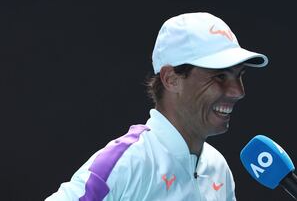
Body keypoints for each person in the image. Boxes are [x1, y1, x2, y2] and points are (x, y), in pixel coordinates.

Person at [46, 12, 268, 201]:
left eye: (240, 76)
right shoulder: (126, 161)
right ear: (171, 79)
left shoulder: (218, 168)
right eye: (220, 76)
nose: (238, 91)